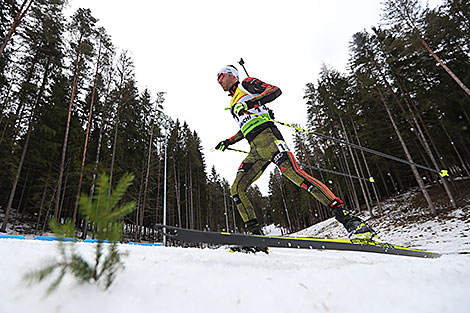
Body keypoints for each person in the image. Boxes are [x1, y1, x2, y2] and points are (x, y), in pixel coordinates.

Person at [215, 65, 376, 239]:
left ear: (232, 75)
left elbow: (274, 90)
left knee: (295, 174)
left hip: (270, 139)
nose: (219, 81)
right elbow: (244, 127)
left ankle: (350, 220)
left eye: (221, 76)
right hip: (255, 149)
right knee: (236, 189)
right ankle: (255, 236)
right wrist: (228, 141)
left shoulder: (245, 85)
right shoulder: (232, 104)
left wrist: (250, 102)